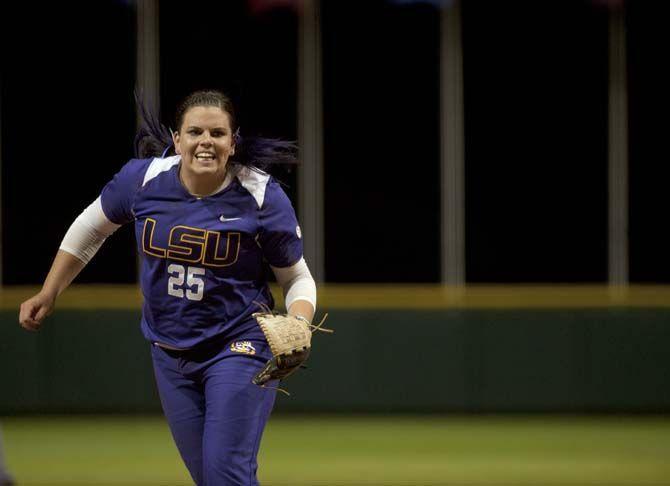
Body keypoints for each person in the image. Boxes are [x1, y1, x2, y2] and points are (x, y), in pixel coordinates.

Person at [18, 90, 317, 485]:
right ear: (177, 140)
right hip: (169, 351)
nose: (205, 141)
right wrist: (48, 291)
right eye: (194, 131)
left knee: (225, 473)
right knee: (208, 477)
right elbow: (91, 228)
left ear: (233, 142)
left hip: (238, 343)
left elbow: (296, 277)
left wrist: (298, 321)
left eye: (217, 132)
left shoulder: (260, 196)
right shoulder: (143, 180)